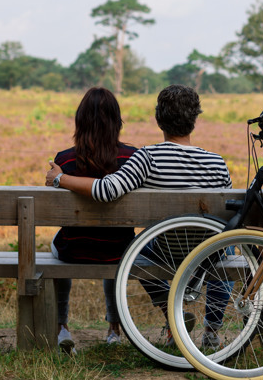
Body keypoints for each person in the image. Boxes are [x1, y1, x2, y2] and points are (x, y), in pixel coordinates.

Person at [47, 84, 232, 348]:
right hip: (205, 249)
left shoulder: (147, 158)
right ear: (195, 120)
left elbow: (108, 189)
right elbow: (225, 213)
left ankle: (170, 311)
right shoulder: (217, 162)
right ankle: (212, 331)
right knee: (229, 245)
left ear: (158, 120)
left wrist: (60, 179)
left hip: (166, 248)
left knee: (131, 247)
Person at [48, 87, 137, 354]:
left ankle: (62, 326)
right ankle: (114, 330)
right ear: (116, 121)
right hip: (119, 251)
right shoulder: (132, 159)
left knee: (53, 249)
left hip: (74, 249)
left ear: (80, 121)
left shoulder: (63, 161)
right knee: (115, 247)